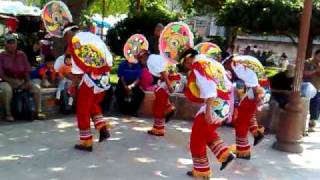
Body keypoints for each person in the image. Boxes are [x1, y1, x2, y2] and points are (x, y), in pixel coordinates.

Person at [180, 49, 235, 179]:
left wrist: (209, 110)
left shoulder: (198, 66)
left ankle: (202, 172)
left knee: (197, 138)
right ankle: (224, 155)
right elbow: (227, 84)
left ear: (188, 59)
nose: (186, 66)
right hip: (224, 103)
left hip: (215, 104)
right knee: (207, 132)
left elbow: (210, 89)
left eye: (184, 63)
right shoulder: (212, 62)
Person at [63, 24, 112, 152]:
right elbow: (108, 58)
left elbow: (78, 70)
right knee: (91, 104)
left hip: (90, 78)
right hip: (103, 77)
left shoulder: (76, 42)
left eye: (65, 37)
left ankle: (86, 141)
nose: (66, 40)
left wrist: (73, 85)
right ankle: (102, 127)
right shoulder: (92, 37)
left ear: (69, 33)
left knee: (83, 108)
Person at [223, 55, 267, 160]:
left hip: (253, 96)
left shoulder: (241, 67)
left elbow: (255, 86)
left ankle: (243, 151)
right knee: (246, 119)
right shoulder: (242, 64)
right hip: (254, 95)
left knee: (241, 123)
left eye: (226, 65)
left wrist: (258, 98)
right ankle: (256, 133)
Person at [0, 34, 45, 121]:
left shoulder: (22, 55)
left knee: (37, 88)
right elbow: (1, 73)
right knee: (6, 90)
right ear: (5, 44)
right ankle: (8, 113)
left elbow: (27, 70)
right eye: (9, 43)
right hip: (6, 81)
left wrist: (27, 81)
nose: (12, 45)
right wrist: (11, 81)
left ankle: (38, 112)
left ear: (16, 44)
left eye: (13, 43)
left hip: (21, 80)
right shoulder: (1, 56)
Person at [304, 49, 320, 132]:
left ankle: (312, 124)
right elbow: (304, 73)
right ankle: (307, 125)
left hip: (317, 88)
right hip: (308, 88)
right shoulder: (308, 62)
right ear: (315, 55)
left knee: (316, 107)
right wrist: (315, 71)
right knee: (311, 106)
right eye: (319, 56)